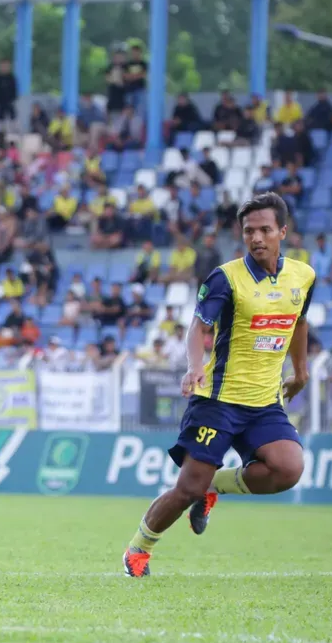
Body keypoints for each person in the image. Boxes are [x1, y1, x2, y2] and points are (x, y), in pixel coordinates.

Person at [122, 192, 315, 578]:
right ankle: (138, 548)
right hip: (218, 401)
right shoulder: (226, 278)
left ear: (282, 231)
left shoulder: (303, 276)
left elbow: (299, 323)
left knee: (288, 469)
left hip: (263, 402)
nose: (256, 238)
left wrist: (301, 371)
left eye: (264, 229)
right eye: (248, 231)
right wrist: (194, 367)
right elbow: (198, 327)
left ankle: (217, 487)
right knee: (187, 489)